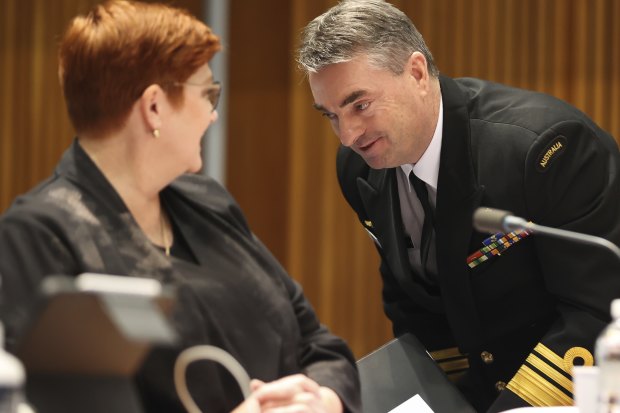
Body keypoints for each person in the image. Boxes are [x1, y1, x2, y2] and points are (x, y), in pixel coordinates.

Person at [0, 1, 361, 412]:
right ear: (154, 106)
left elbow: (320, 345)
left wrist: (322, 400)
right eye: (207, 92)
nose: (213, 115)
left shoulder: (210, 203)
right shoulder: (39, 235)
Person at [296, 0, 620, 412]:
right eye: (331, 115)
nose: (347, 136)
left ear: (416, 72)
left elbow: (595, 307)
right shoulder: (358, 169)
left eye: (360, 105)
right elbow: (412, 301)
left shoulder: (542, 148)